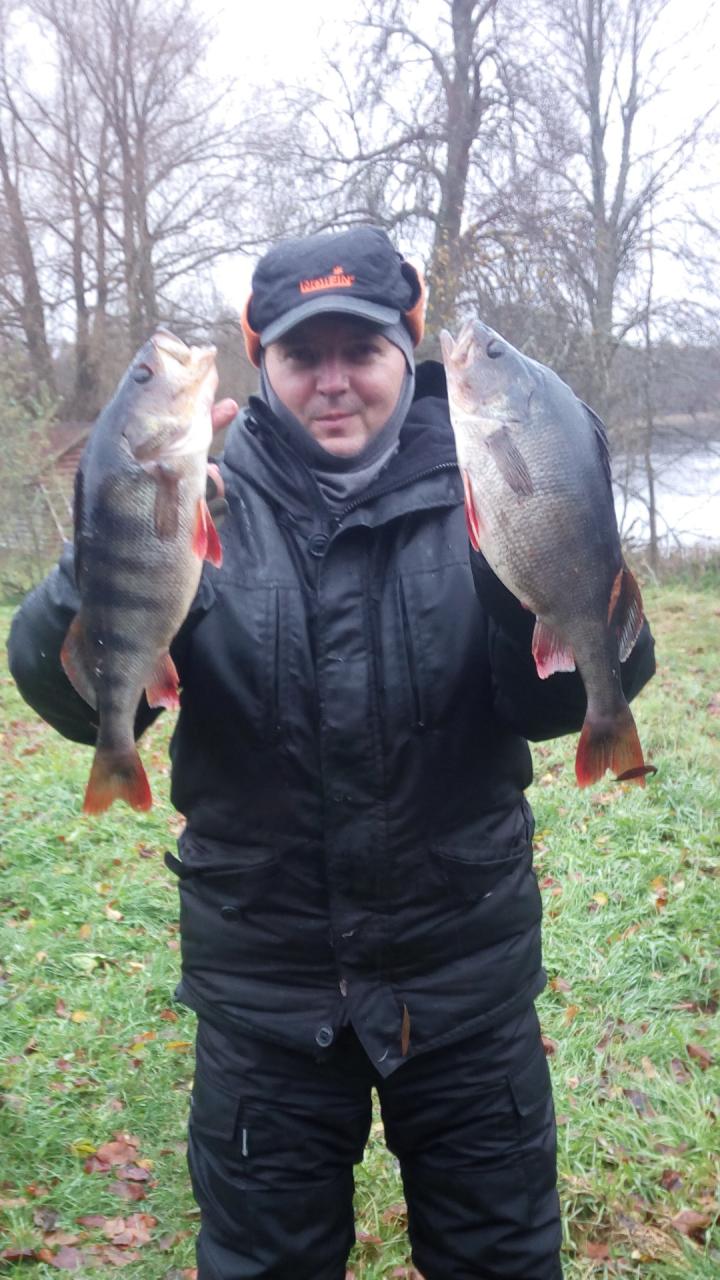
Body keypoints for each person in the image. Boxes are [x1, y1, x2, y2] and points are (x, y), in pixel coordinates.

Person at [8, 225, 655, 1280]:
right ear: (259, 361)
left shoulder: (494, 474)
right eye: (304, 354)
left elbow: (560, 706)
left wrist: (546, 558)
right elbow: (80, 709)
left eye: (363, 349)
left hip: (465, 985)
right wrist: (105, 544)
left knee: (502, 1258)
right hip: (266, 998)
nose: (335, 379)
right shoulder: (201, 498)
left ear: (409, 350)